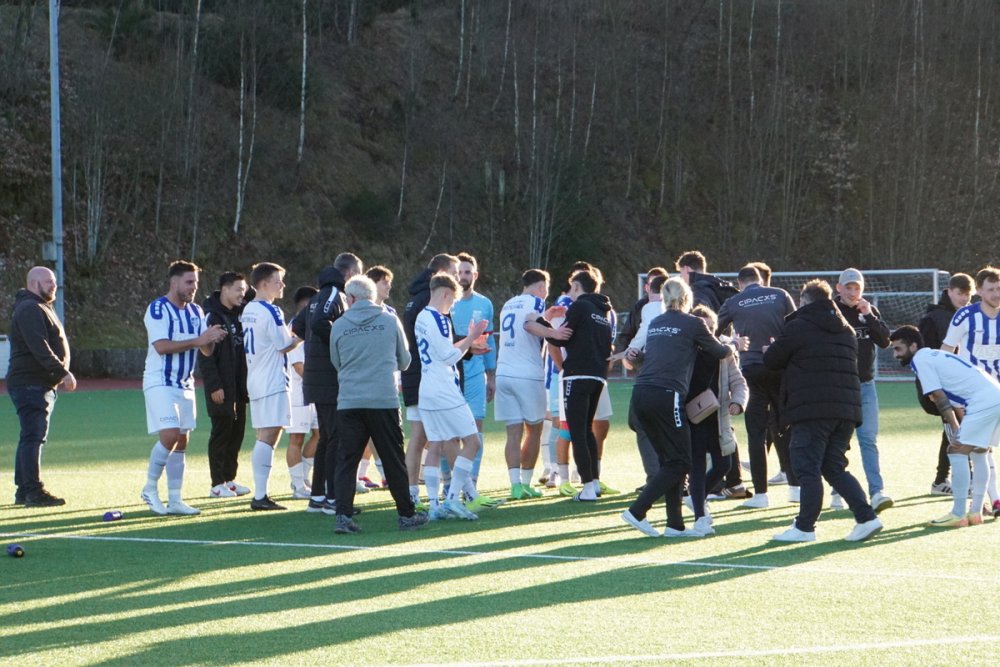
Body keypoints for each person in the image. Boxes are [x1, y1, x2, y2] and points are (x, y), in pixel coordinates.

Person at [763, 279, 882, 543]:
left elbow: (772, 360)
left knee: (807, 466)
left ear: (804, 301)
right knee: (833, 466)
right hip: (846, 408)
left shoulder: (798, 326)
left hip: (812, 407)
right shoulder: (846, 329)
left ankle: (805, 527)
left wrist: (771, 347)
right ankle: (866, 517)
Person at [619, 278, 732, 537]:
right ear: (687, 298)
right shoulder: (694, 323)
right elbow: (718, 351)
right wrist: (734, 345)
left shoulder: (657, 322)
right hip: (667, 395)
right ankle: (637, 511)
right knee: (681, 461)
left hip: (641, 395)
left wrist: (637, 357)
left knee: (670, 461)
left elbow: (651, 358)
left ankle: (674, 524)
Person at [329, 275, 428, 533]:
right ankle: (406, 515)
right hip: (383, 399)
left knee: (347, 461)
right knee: (393, 459)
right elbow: (405, 360)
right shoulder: (389, 320)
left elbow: (336, 361)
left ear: (351, 298)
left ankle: (343, 516)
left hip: (349, 401)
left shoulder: (339, 325)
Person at [890, 325, 999, 527]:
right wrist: (959, 427)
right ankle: (975, 513)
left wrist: (956, 430)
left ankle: (958, 514)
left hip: (984, 402)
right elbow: (954, 401)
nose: (895, 355)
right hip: (994, 396)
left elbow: (940, 398)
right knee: (979, 452)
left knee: (956, 450)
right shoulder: (936, 356)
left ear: (913, 346)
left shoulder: (921, 359)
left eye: (898, 349)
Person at [141, 261, 227, 516]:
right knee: (169, 435)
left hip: (185, 383)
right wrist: (199, 340)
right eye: (189, 282)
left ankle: (175, 499)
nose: (193, 288)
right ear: (174, 282)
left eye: (196, 283)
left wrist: (211, 339)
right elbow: (161, 346)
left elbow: (205, 350)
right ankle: (149, 488)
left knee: (181, 440)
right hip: (160, 381)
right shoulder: (158, 308)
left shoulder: (196, 311)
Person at [716, 264, 797, 507]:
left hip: (751, 370)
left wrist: (732, 342)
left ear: (740, 283)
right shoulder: (780, 294)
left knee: (756, 433)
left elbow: (711, 332)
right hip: (780, 368)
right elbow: (796, 327)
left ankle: (761, 495)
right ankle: (795, 488)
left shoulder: (733, 301)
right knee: (785, 427)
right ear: (761, 280)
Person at [291, 252, 363, 515]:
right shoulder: (334, 293)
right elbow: (321, 323)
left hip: (317, 377)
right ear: (350, 273)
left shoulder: (317, 296)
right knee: (335, 438)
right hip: (328, 379)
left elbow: (299, 327)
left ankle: (318, 496)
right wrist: (344, 341)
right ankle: (333, 499)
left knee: (326, 437)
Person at [414, 273, 490, 520]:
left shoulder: (421, 317)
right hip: (444, 390)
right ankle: (453, 499)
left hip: (427, 388)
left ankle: (434, 505)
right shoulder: (439, 319)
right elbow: (448, 357)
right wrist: (471, 337)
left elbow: (442, 352)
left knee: (436, 444)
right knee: (473, 442)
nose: (452, 306)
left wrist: (468, 343)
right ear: (446, 293)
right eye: (452, 301)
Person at [541, 269, 614, 502]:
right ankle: (594, 481)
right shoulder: (603, 312)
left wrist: (544, 325)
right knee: (587, 430)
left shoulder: (580, 306)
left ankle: (588, 487)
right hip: (597, 376)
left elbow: (562, 336)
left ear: (575, 286)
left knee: (577, 431)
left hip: (577, 375)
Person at [495, 269, 569, 499]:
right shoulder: (536, 301)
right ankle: (526, 483)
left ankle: (515, 485)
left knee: (513, 432)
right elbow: (529, 325)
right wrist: (554, 332)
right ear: (542, 287)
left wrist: (546, 315)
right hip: (527, 374)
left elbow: (523, 324)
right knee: (534, 430)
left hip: (503, 372)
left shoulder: (508, 304)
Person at [7, 266, 76, 507]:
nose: (54, 285)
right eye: (48, 282)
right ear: (34, 283)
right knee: (33, 436)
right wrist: (62, 372)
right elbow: (39, 346)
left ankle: (24, 490)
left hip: (35, 382)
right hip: (31, 383)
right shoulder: (30, 308)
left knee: (30, 435)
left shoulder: (38, 306)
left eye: (54, 281)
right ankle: (33, 491)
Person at [240, 262, 301, 511]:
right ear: (264, 284)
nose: (282, 285)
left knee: (263, 435)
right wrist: (301, 335)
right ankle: (260, 495)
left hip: (255, 377)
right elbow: (284, 344)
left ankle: (261, 494)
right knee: (269, 436)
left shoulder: (248, 309)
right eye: (278, 281)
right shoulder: (271, 310)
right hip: (273, 379)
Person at [941, 266, 1000, 517]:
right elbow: (946, 351)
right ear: (979, 291)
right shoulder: (965, 316)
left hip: (996, 393)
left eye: (999, 288)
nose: (996, 293)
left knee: (984, 447)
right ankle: (991, 501)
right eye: (991, 289)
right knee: (979, 448)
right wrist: (949, 392)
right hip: (970, 395)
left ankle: (985, 503)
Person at [401, 253, 459, 507]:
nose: (457, 279)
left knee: (420, 437)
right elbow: (440, 346)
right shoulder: (431, 301)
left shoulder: (414, 299)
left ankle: (413, 493)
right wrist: (467, 345)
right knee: (446, 435)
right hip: (428, 376)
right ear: (441, 273)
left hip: (414, 374)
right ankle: (463, 491)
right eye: (454, 273)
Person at [834, 268, 893, 514]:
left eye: (856, 288)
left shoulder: (869, 311)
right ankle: (837, 491)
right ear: (839, 288)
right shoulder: (831, 311)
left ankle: (877, 492)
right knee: (839, 442)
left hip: (866, 386)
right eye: (848, 287)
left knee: (868, 440)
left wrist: (868, 315)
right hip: (839, 388)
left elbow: (885, 341)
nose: (852, 292)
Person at [685, 304, 748, 535]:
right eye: (704, 328)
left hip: (718, 417)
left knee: (724, 464)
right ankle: (700, 517)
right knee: (697, 468)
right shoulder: (685, 349)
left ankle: (696, 498)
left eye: (712, 328)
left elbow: (739, 382)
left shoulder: (724, 352)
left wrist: (738, 402)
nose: (709, 332)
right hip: (692, 418)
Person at [917, 272, 974, 495]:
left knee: (954, 429)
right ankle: (966, 479)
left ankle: (941, 481)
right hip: (939, 387)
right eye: (960, 293)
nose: (964, 298)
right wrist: (934, 388)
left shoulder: (968, 316)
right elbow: (925, 356)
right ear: (949, 291)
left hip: (960, 385)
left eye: (968, 294)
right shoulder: (933, 318)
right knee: (958, 429)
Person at [199, 271, 253, 499]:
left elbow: (254, 294)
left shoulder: (241, 313)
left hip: (240, 386)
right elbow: (205, 355)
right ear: (225, 289)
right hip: (222, 386)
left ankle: (229, 479)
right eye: (239, 289)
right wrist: (214, 386)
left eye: (244, 290)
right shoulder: (212, 316)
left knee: (236, 433)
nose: (243, 294)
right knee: (221, 433)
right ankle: (217, 483)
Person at [450, 253, 497, 487]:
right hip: (450, 375)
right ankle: (449, 483)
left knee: (475, 429)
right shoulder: (446, 302)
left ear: (475, 275)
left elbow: (490, 340)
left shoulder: (484, 304)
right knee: (450, 432)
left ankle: (472, 483)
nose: (462, 276)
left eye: (467, 272)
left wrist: (491, 376)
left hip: (476, 375)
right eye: (459, 272)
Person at [286, 286, 320, 499]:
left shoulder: (314, 327)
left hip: (314, 392)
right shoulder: (295, 328)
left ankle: (303, 478)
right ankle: (298, 486)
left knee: (320, 435)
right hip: (298, 393)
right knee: (297, 438)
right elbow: (299, 366)